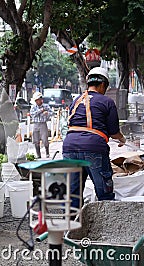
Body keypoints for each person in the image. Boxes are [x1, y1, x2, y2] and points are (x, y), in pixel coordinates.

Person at [63, 67, 126, 209]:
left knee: (73, 192)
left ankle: (71, 228)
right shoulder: (107, 102)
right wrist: (123, 140)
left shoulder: (76, 100)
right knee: (104, 192)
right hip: (94, 148)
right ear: (103, 84)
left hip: (69, 147)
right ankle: (106, 225)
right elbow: (114, 132)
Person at [29, 91, 53, 158]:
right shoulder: (33, 107)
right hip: (36, 124)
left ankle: (47, 153)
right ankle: (38, 155)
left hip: (43, 124)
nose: (37, 101)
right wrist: (40, 111)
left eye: (38, 100)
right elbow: (32, 114)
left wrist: (47, 113)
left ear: (41, 99)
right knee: (36, 140)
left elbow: (52, 113)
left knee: (44, 139)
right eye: (36, 100)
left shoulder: (46, 106)